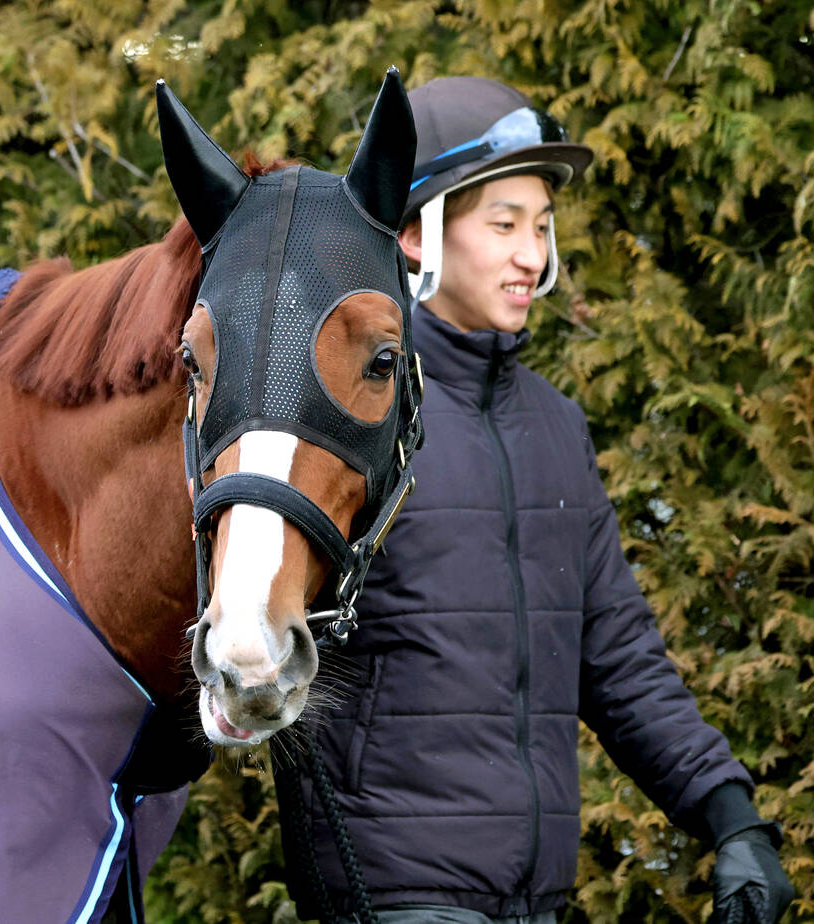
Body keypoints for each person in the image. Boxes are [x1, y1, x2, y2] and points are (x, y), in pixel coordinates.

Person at [274, 76, 795, 924]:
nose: (532, 255)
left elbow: (617, 657)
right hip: (393, 890)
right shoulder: (343, 417)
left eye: (543, 227)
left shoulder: (555, 427)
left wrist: (729, 817)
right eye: (505, 224)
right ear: (415, 233)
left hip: (535, 900)